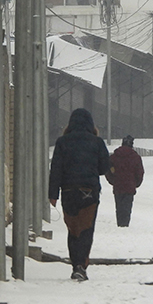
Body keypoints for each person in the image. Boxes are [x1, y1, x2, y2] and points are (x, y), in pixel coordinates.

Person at [48, 108, 110, 281]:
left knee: (73, 229)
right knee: (86, 229)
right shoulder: (97, 142)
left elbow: (56, 170)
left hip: (68, 191)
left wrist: (53, 194)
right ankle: (80, 265)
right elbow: (104, 168)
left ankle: (76, 263)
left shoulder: (62, 142)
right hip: (88, 191)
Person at [105, 135, 144, 228]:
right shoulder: (135, 157)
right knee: (127, 207)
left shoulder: (114, 157)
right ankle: (125, 224)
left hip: (118, 186)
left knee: (119, 206)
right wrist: (136, 183)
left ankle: (120, 223)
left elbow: (108, 170)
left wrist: (113, 181)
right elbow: (139, 172)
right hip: (130, 186)